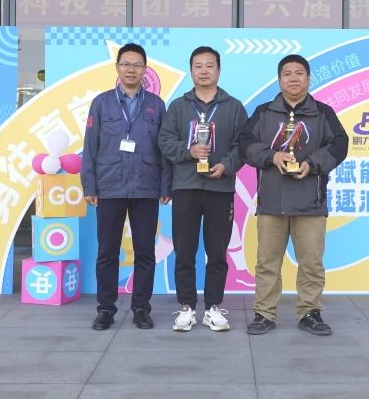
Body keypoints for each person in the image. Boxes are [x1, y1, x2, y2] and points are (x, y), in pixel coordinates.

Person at [239, 54, 348, 335]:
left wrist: (312, 164)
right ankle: (264, 313)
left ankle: (309, 312)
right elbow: (245, 144)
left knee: (311, 262)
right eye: (287, 74)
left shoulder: (323, 113)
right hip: (271, 203)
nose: (293, 79)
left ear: (308, 79)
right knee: (267, 263)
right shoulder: (264, 112)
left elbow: (340, 144)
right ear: (279, 80)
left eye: (299, 73)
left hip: (310, 203)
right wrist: (271, 156)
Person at [81, 43, 172, 330]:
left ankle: (141, 308)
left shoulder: (156, 105)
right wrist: (89, 185)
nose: (131, 69)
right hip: (109, 186)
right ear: (118, 68)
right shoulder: (101, 103)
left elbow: (165, 148)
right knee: (107, 251)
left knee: (145, 251)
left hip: (146, 186)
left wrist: (166, 186)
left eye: (137, 65)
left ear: (145, 70)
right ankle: (105, 309)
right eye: (126, 64)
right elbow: (90, 146)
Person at [158, 46, 248, 332]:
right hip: (185, 187)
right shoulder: (178, 106)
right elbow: (164, 141)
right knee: (184, 250)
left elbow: (243, 145)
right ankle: (186, 307)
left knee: (217, 251)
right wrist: (189, 150)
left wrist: (226, 166)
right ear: (191, 71)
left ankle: (213, 308)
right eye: (198, 66)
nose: (204, 71)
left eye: (210, 65)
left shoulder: (234, 107)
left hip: (220, 187)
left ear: (218, 70)